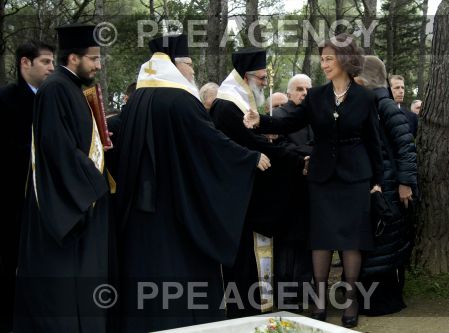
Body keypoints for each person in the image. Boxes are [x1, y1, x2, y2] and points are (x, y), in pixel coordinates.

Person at [114, 34, 270, 332]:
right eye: (189, 63)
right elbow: (209, 143)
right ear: (175, 64)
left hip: (139, 213)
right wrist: (248, 158)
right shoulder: (181, 100)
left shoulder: (137, 100)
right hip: (177, 212)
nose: (194, 71)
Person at [244, 34, 383, 328]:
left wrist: (378, 180)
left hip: (356, 178)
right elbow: (289, 122)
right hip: (321, 177)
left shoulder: (366, 97)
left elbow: (374, 142)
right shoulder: (316, 95)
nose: (324, 64)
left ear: (346, 60)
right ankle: (319, 303)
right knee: (320, 239)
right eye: (322, 59)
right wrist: (261, 121)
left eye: (329, 58)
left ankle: (351, 301)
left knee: (351, 241)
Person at [14, 24, 113, 333]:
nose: (98, 65)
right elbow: (58, 150)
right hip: (67, 206)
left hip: (79, 198)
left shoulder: (71, 87)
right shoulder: (56, 89)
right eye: (93, 59)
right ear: (73, 58)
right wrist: (94, 186)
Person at [210, 47, 307, 318]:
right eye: (262, 78)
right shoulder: (227, 105)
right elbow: (249, 144)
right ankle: (244, 310)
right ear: (246, 76)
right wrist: (298, 160)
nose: (265, 83)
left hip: (248, 192)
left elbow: (259, 140)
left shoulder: (242, 100)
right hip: (237, 197)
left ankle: (254, 307)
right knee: (243, 260)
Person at [355, 55, 417, 315]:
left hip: (392, 188)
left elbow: (405, 146)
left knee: (387, 243)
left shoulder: (385, 105)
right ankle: (370, 299)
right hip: (378, 185)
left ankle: (384, 301)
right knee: (378, 243)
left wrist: (405, 183)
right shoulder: (372, 103)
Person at [0, 39, 54, 333]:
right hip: (13, 198)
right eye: (45, 61)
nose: (51, 68)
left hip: (45, 199)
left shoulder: (53, 97)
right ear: (25, 63)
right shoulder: (5, 99)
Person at [272, 74, 314, 311]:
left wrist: (308, 154)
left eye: (308, 89)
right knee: (287, 244)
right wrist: (304, 156)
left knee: (308, 242)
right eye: (299, 89)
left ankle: (304, 291)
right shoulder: (279, 116)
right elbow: (279, 147)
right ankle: (285, 296)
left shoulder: (315, 116)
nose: (304, 93)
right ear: (289, 93)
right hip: (287, 188)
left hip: (311, 189)